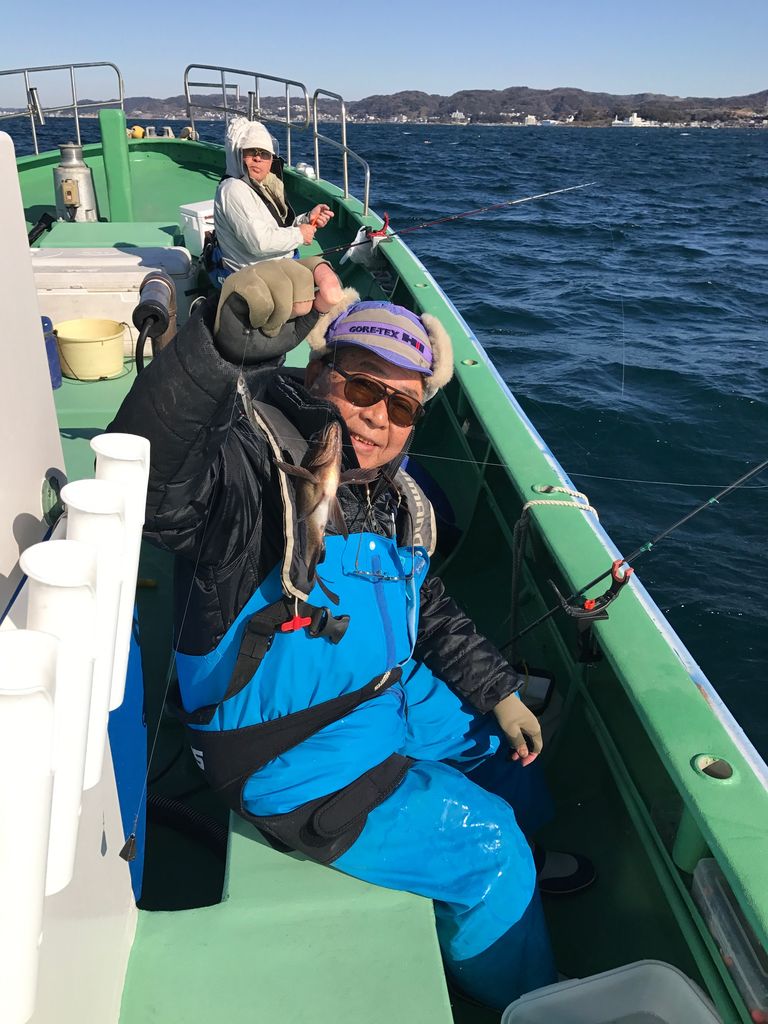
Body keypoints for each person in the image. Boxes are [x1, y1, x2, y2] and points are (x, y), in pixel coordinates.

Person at [109, 265, 584, 1010]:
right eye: (361, 387)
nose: (376, 418)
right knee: (488, 846)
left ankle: (526, 863)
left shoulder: (393, 495)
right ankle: (527, 988)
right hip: (287, 750)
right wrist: (215, 351)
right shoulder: (257, 472)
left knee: (500, 747)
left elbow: (425, 606)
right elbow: (152, 486)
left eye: (401, 405)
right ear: (318, 372)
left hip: (374, 692)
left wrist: (496, 690)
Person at [213, 116, 342, 312]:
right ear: (238, 155)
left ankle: (309, 324)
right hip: (255, 272)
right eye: (251, 152)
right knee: (304, 303)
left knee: (331, 288)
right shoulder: (233, 189)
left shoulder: (257, 186)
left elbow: (275, 229)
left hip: (281, 262)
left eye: (265, 154)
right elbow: (259, 242)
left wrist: (307, 219)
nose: (258, 158)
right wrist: (300, 234)